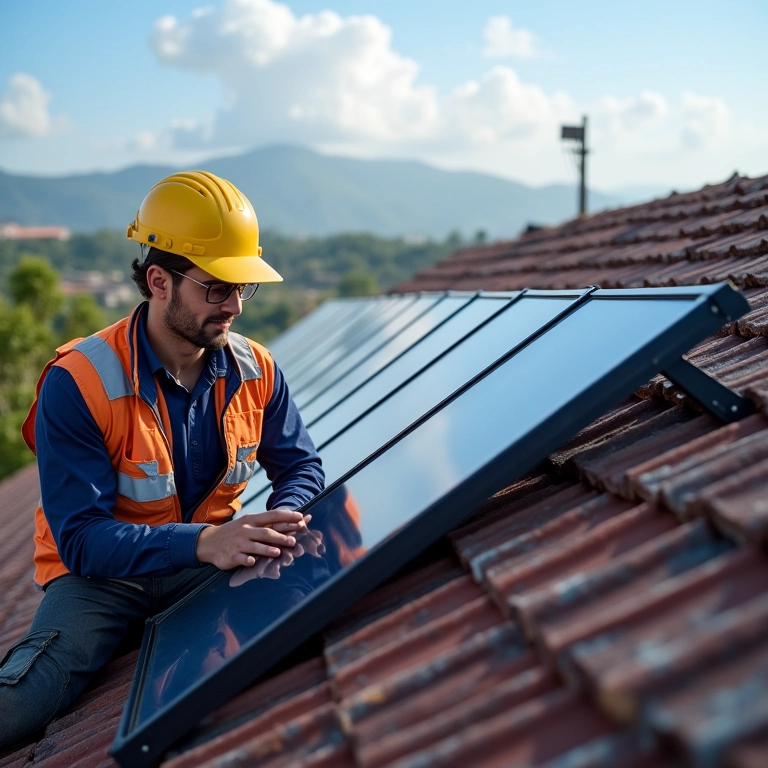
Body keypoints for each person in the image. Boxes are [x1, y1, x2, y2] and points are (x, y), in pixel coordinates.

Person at [0, 171, 325, 749]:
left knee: (309, 624)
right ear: (159, 281)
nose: (233, 307)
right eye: (216, 288)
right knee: (20, 706)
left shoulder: (257, 370)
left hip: (205, 565)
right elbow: (80, 539)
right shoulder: (77, 382)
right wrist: (202, 544)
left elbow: (301, 467)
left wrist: (287, 518)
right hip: (101, 580)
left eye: (242, 289)